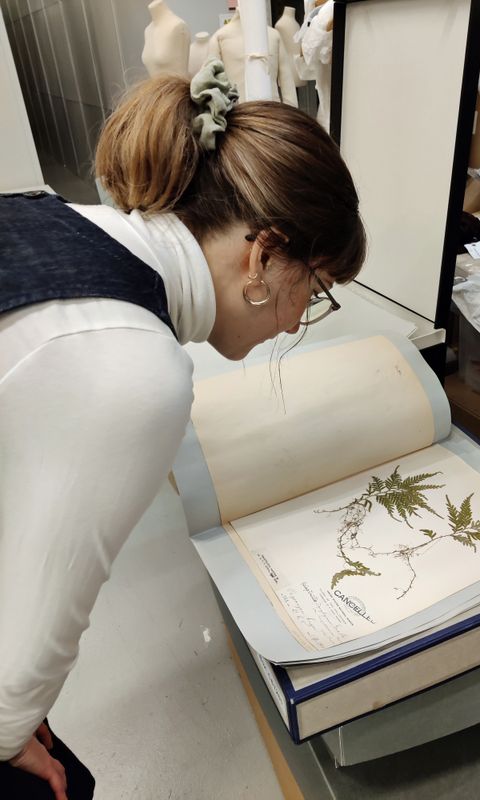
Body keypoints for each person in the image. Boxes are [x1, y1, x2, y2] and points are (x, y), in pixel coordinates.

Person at [0, 59, 366, 799]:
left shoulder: (54, 214)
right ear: (263, 256)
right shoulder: (139, 371)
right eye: (316, 291)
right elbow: (17, 677)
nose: (298, 320)